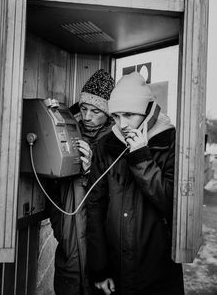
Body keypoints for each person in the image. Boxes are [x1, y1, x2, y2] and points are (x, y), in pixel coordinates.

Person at [86, 72, 185, 295]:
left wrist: (142, 159)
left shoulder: (170, 142)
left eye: (129, 115)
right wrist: (99, 268)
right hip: (115, 266)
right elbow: (95, 208)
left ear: (148, 111)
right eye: (116, 116)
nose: (122, 125)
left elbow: (172, 203)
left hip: (157, 269)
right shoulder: (106, 145)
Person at [48, 69, 115, 295]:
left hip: (100, 248)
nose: (87, 117)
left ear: (109, 114)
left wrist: (90, 170)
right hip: (69, 240)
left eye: (96, 111)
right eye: (84, 109)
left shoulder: (115, 142)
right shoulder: (70, 129)